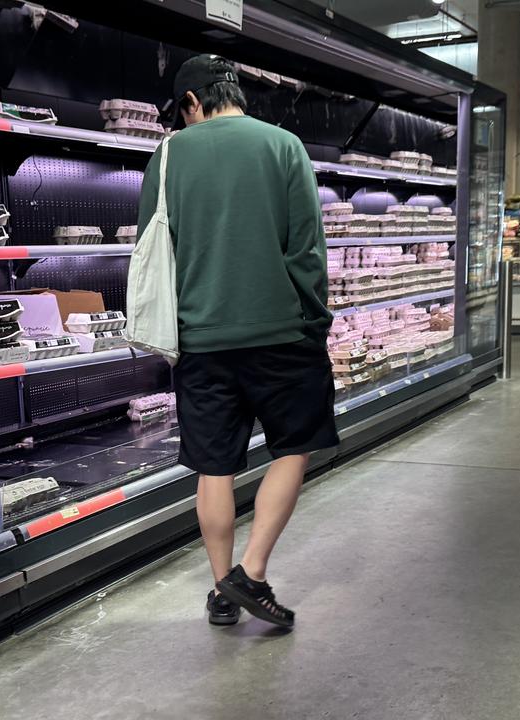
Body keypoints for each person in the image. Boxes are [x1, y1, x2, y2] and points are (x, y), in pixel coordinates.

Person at [137, 54, 338, 629]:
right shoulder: (283, 146)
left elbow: (158, 251)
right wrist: (314, 320)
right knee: (292, 448)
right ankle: (252, 572)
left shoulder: (168, 156)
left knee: (214, 466)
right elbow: (306, 249)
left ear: (192, 103)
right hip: (280, 331)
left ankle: (222, 589)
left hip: (200, 338)